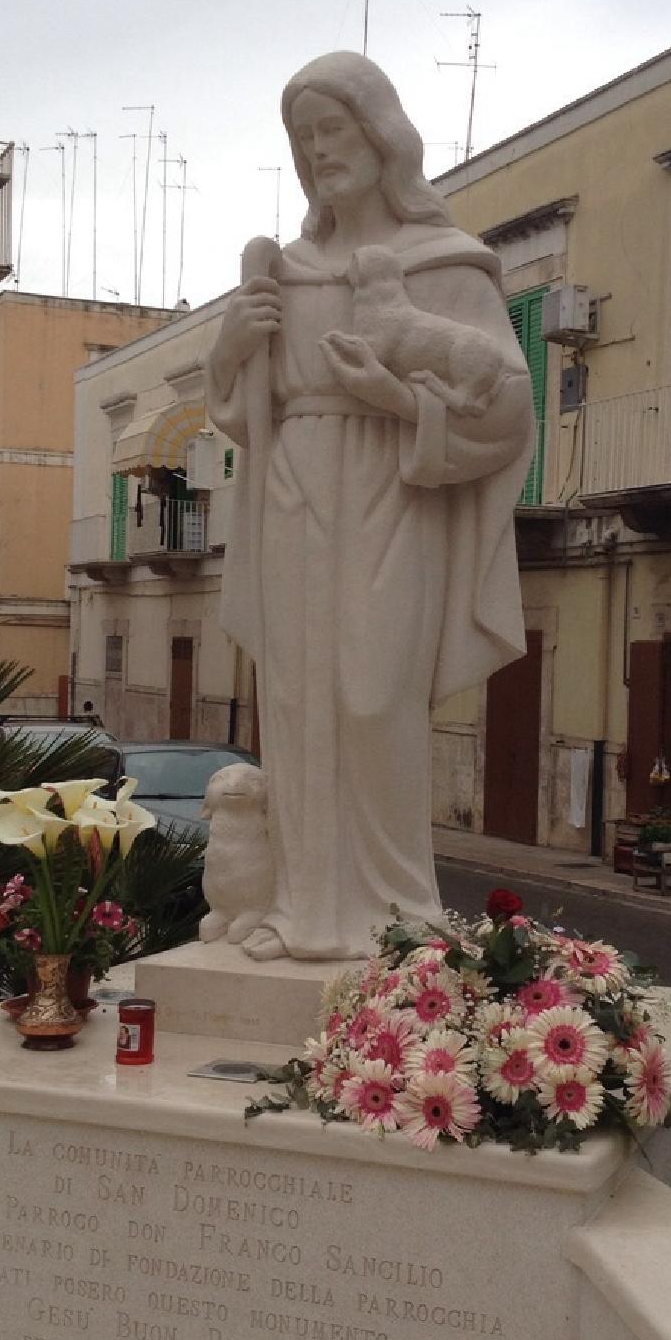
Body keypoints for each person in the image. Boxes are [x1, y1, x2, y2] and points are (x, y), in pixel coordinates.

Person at [205, 52, 535, 961]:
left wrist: (401, 401)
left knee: (372, 696)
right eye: (304, 137)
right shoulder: (288, 269)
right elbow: (240, 410)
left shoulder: (445, 265)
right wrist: (230, 351)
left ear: (378, 135)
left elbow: (509, 406)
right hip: (293, 488)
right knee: (299, 699)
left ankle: (399, 907)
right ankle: (301, 906)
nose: (318, 152)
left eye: (332, 130)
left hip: (395, 488)